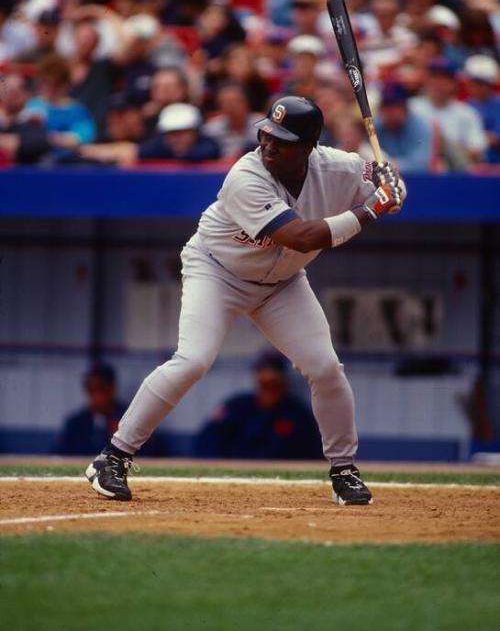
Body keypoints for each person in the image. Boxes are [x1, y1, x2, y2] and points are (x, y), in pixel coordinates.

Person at [85, 95, 405, 505]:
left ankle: (344, 470)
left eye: (282, 140)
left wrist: (392, 185)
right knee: (194, 359)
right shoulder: (245, 176)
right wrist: (370, 211)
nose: (268, 143)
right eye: (266, 133)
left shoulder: (338, 167)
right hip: (217, 270)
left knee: (325, 367)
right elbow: (302, 236)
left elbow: (386, 178)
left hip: (282, 283)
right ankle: (112, 457)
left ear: (309, 147)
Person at [196, 351, 323, 460]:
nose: (269, 391)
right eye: (264, 385)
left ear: (284, 383)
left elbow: (312, 452)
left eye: (274, 385)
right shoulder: (237, 406)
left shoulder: (298, 413)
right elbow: (207, 442)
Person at [56, 363, 168, 456]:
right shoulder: (75, 423)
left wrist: (123, 439)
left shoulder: (130, 419)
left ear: (113, 388)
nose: (96, 396)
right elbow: (59, 455)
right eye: (91, 389)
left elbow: (153, 454)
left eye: (101, 389)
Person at [375, 81, 433, 171]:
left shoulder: (419, 126)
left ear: (405, 107)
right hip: (381, 180)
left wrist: (391, 165)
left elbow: (421, 164)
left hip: (413, 180)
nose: (390, 111)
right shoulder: (375, 126)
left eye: (395, 106)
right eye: (386, 106)